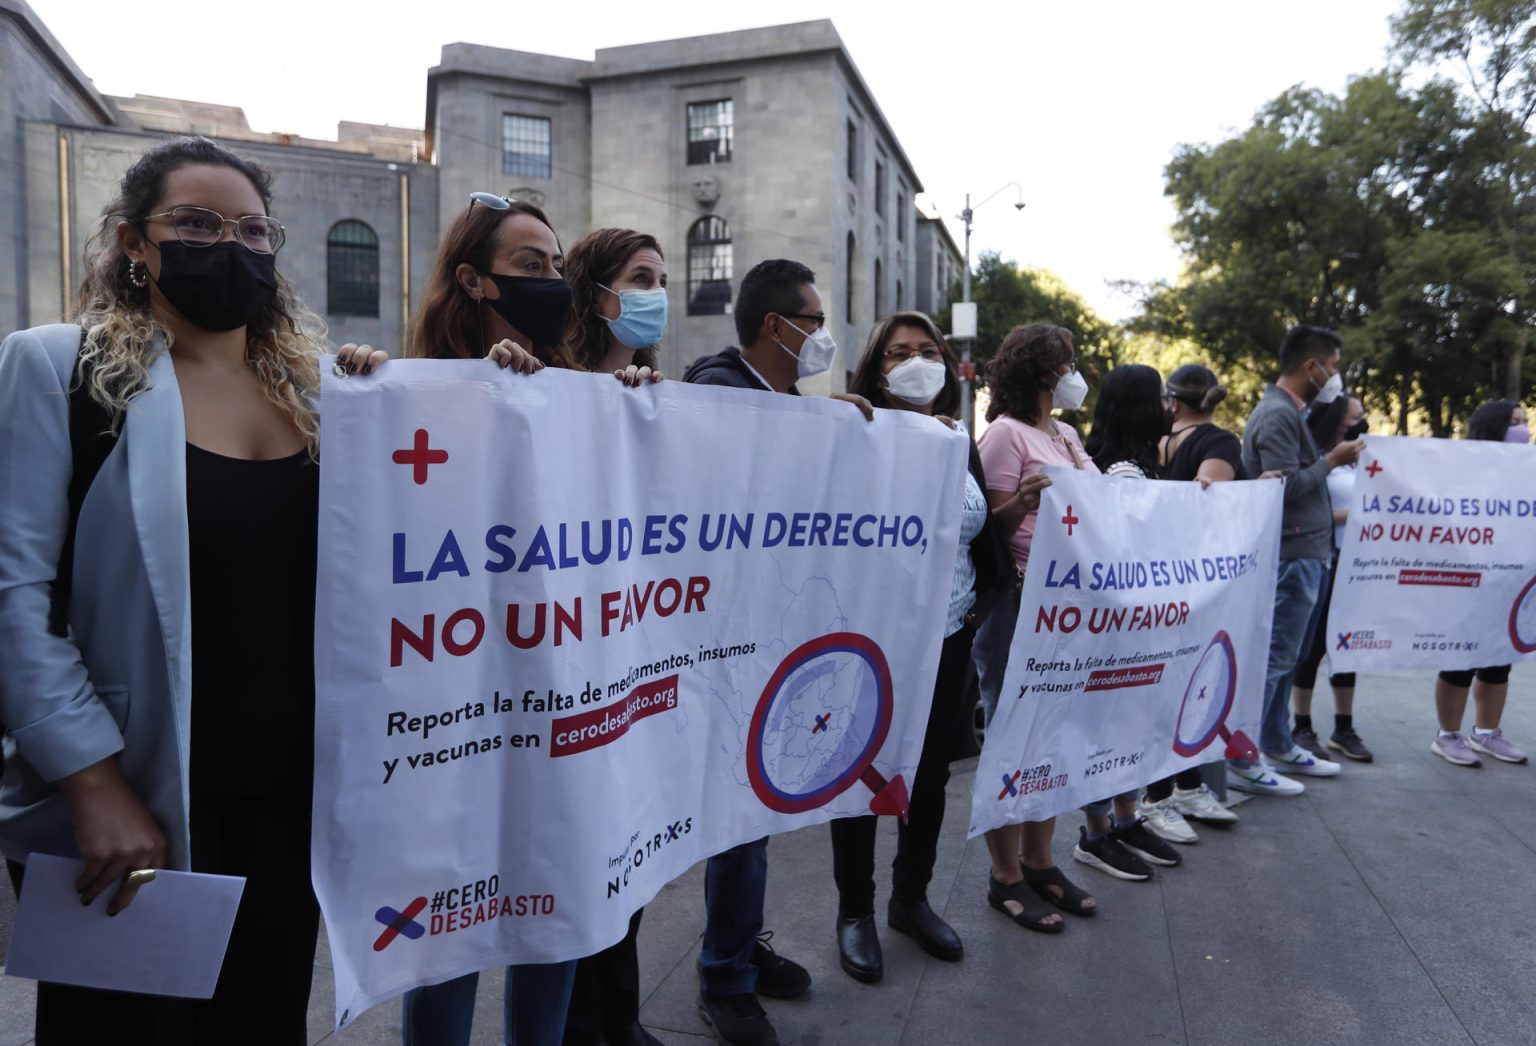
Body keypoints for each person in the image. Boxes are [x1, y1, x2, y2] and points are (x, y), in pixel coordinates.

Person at [0, 135, 386, 1044]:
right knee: (124, 1033)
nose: (232, 245)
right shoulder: (60, 370)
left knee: (262, 1019)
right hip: (136, 796)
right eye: (197, 223)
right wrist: (92, 785)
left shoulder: (323, 396)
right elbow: (15, 596)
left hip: (290, 800)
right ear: (136, 242)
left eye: (254, 229)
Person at [398, 192, 583, 1046]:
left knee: (557, 902)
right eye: (531, 266)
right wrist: (369, 387)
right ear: (472, 280)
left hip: (559, 706)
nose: (553, 281)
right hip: (456, 712)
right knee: (448, 922)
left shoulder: (579, 400)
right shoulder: (408, 401)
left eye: (559, 267)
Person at [681, 259, 872, 1046]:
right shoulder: (719, 389)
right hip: (720, 646)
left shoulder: (781, 402)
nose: (822, 334)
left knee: (752, 812)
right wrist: (823, 423)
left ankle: (740, 947)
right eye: (813, 319)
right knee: (737, 816)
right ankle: (724, 978)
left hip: (767, 638)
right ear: (775, 326)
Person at [827, 311, 1013, 984]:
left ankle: (911, 899)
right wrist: (832, 425)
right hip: (869, 641)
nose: (916, 361)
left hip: (948, 636)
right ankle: (856, 911)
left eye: (927, 350)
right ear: (877, 367)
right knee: (856, 770)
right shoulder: (851, 432)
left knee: (929, 775)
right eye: (899, 352)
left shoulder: (955, 439)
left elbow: (972, 531)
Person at [556, 226, 670, 1046]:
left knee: (625, 854)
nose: (656, 292)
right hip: (567, 668)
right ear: (599, 295)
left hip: (634, 664)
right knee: (576, 858)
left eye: (661, 277)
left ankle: (616, 1020)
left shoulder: (652, 394)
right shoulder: (545, 387)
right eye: (641, 277)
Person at [970, 323, 1095, 933]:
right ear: (1044, 373)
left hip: (1067, 606)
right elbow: (982, 527)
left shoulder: (1067, 435)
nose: (1076, 374)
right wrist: (1019, 505)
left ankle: (1041, 860)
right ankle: (1005, 875)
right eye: (1068, 363)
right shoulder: (1004, 434)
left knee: (1051, 732)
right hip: (1019, 602)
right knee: (1014, 729)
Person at [1233, 325, 1361, 796]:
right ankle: (1242, 756)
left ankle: (1276, 742)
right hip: (1293, 554)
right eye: (1334, 366)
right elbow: (1279, 489)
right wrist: (1332, 462)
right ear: (1313, 367)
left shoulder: (1290, 413)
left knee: (1291, 657)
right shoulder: (1276, 415)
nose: (1335, 377)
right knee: (1275, 658)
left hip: (1307, 553)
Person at [1074, 365, 1186, 872]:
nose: (1170, 406)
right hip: (1119, 633)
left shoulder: (1141, 466)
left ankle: (1126, 817)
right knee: (1110, 725)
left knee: (1130, 724)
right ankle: (1096, 832)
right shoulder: (1120, 474)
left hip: (1138, 630)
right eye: (1162, 398)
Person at [1138, 364, 1244, 835]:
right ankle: (1157, 796)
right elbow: (1210, 498)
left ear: (1173, 401)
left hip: (1153, 577)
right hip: (1189, 581)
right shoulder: (1220, 443)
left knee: (1176, 683)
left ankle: (1184, 786)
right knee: (1179, 684)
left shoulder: (1151, 443)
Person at [1430, 400, 1530, 768]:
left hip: (1510, 578)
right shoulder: (1463, 469)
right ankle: (1448, 735)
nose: (1523, 429)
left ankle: (1487, 733)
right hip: (1467, 577)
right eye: (1513, 422)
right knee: (1460, 655)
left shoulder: (1528, 471)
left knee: (1499, 657)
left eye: (1524, 421)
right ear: (1493, 427)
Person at [1290, 393, 1372, 762]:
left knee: (1348, 647)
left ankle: (1344, 727)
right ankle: (1301, 725)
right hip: (1326, 559)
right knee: (1313, 646)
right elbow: (1310, 509)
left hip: (1357, 566)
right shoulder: (1318, 460)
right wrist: (1354, 514)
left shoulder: (1359, 460)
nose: (1359, 419)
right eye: (1353, 413)